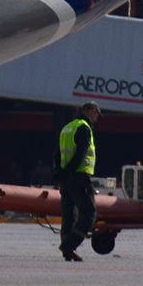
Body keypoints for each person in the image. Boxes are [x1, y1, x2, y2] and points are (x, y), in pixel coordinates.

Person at [56, 102, 100, 261]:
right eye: (96, 114)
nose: (96, 118)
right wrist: (71, 172)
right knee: (89, 213)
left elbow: (58, 154)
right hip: (79, 177)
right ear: (91, 111)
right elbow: (80, 154)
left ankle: (67, 250)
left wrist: (60, 175)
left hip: (66, 180)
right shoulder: (84, 128)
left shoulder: (67, 128)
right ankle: (69, 245)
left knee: (69, 215)